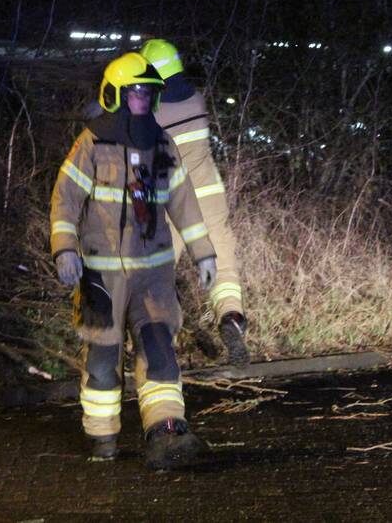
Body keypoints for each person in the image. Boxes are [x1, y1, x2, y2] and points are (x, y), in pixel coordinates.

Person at [50, 52, 218, 469]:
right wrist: (65, 248)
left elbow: (184, 203)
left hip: (154, 275)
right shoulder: (91, 144)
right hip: (101, 275)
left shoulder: (163, 145)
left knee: (160, 350)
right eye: (137, 93)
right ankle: (103, 436)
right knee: (103, 359)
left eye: (149, 94)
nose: (145, 102)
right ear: (116, 96)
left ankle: (167, 433)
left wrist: (203, 253)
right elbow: (65, 200)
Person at [141, 38, 250, 366]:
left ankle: (158, 342)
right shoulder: (196, 100)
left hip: (172, 202)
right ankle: (231, 315)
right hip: (209, 196)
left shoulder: (149, 111)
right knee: (223, 265)